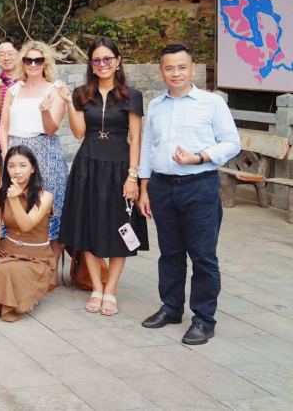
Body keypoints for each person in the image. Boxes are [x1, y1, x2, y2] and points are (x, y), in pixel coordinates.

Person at [138, 44, 240, 345]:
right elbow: (147, 147)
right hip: (162, 187)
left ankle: (204, 319)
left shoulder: (212, 103)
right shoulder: (156, 105)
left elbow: (232, 142)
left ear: (193, 69)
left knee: (203, 255)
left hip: (199, 185)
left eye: (182, 67)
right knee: (169, 252)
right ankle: (171, 308)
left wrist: (199, 157)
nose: (176, 73)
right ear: (161, 71)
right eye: (169, 68)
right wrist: (144, 188)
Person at [59, 38, 147, 317]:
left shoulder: (132, 95)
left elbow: (136, 138)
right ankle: (97, 288)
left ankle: (111, 290)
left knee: (120, 226)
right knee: (88, 225)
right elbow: (78, 132)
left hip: (120, 168)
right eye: (96, 60)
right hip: (87, 166)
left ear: (118, 60)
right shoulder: (82, 93)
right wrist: (68, 102)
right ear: (91, 64)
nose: (102, 64)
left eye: (107, 58)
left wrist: (133, 176)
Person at [0, 40, 68, 283]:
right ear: (23, 62)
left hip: (45, 151)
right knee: (16, 202)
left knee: (50, 207)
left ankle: (51, 269)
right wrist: (6, 154)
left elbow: (51, 128)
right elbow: (3, 126)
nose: (33, 64)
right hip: (16, 152)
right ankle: (19, 259)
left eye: (38, 60)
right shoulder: (14, 89)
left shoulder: (55, 89)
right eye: (28, 60)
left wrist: (45, 111)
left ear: (46, 63)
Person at [0, 145, 54, 322]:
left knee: (7, 270)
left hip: (35, 257)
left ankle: (23, 298)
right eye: (11, 166)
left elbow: (26, 225)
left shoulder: (45, 196)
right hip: (8, 252)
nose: (17, 171)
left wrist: (15, 200)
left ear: (32, 168)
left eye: (23, 165)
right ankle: (18, 297)